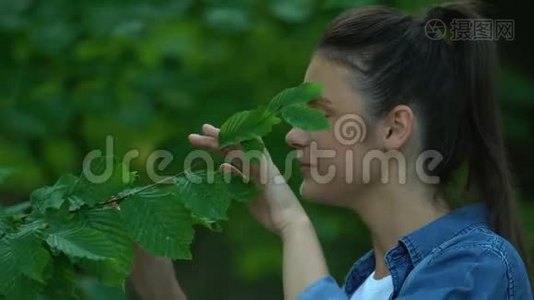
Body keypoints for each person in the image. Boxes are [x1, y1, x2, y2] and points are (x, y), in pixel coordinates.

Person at [130, 1, 533, 299]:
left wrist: (293, 224)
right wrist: (160, 288)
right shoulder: (362, 285)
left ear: (394, 128)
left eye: (319, 114)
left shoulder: (475, 269)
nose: (293, 136)